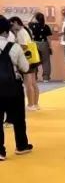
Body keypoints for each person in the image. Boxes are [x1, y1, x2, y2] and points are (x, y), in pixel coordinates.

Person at [0, 16, 32, 161]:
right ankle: (21, 145)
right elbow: (25, 67)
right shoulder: (15, 47)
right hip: (13, 87)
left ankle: (0, 151)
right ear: (6, 31)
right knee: (19, 117)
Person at [9, 17, 39, 111]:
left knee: (28, 83)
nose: (11, 27)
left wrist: (15, 48)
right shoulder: (26, 29)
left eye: (11, 24)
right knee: (33, 83)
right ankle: (35, 103)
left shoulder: (21, 32)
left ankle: (30, 104)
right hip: (33, 59)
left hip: (27, 60)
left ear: (16, 22)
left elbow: (24, 46)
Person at [28, 12, 53, 82]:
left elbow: (29, 22)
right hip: (44, 44)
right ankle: (46, 78)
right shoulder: (46, 26)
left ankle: (35, 77)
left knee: (35, 60)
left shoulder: (32, 25)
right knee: (46, 61)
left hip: (34, 44)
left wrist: (33, 16)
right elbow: (48, 38)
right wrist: (50, 47)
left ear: (36, 18)